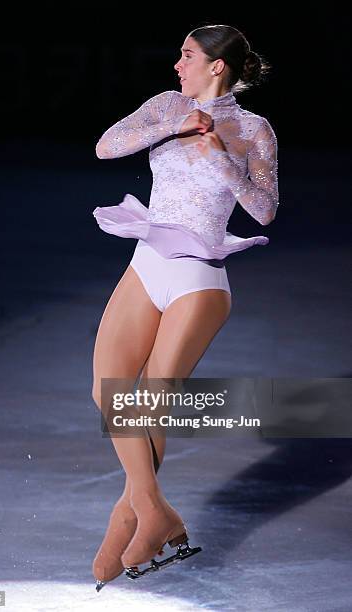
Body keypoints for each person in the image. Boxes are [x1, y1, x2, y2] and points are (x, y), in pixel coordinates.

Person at [91, 24, 279, 591]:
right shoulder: (165, 106)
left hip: (200, 275)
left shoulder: (253, 129)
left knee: (150, 398)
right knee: (109, 390)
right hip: (147, 261)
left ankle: (130, 518)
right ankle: (153, 513)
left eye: (187, 55)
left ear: (216, 66)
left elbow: (266, 209)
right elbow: (106, 146)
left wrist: (224, 161)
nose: (177, 64)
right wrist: (175, 125)